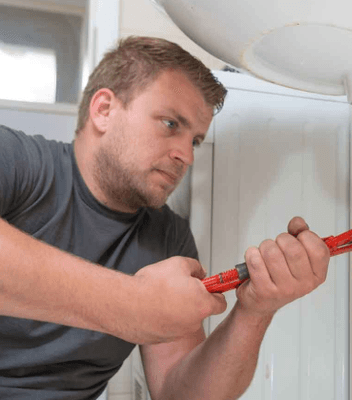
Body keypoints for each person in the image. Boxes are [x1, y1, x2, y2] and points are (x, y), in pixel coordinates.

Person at [0, 36, 330, 399]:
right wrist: (134, 304)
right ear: (104, 109)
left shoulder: (169, 238)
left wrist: (255, 311)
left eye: (196, 141)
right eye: (171, 124)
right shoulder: (18, 162)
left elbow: (181, 395)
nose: (186, 156)